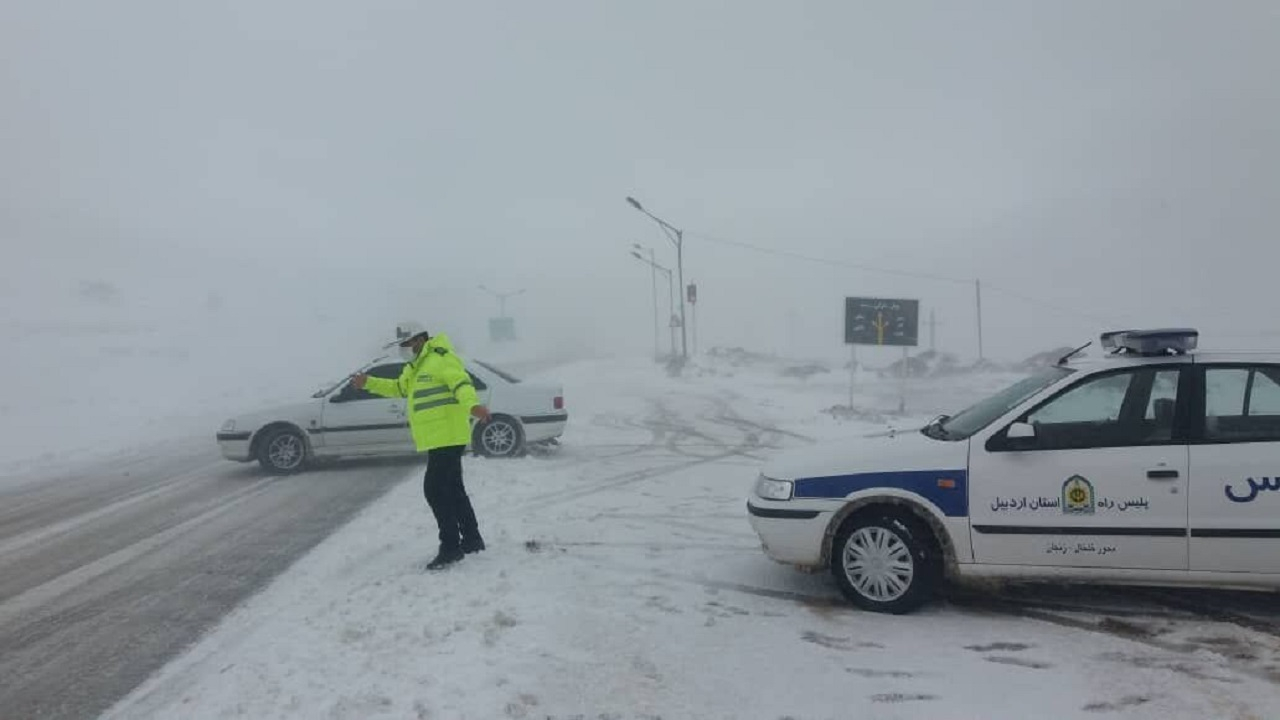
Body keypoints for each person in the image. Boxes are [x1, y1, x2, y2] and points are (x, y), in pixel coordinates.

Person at [352, 323, 491, 570]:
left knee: (434, 490)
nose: (403, 350)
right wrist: (368, 383)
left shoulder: (441, 358)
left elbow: (461, 384)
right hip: (438, 437)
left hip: (448, 435)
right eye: (401, 346)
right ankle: (472, 539)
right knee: (453, 489)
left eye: (405, 344)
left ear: (419, 340)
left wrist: (472, 405)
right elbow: (398, 388)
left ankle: (450, 548)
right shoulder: (414, 368)